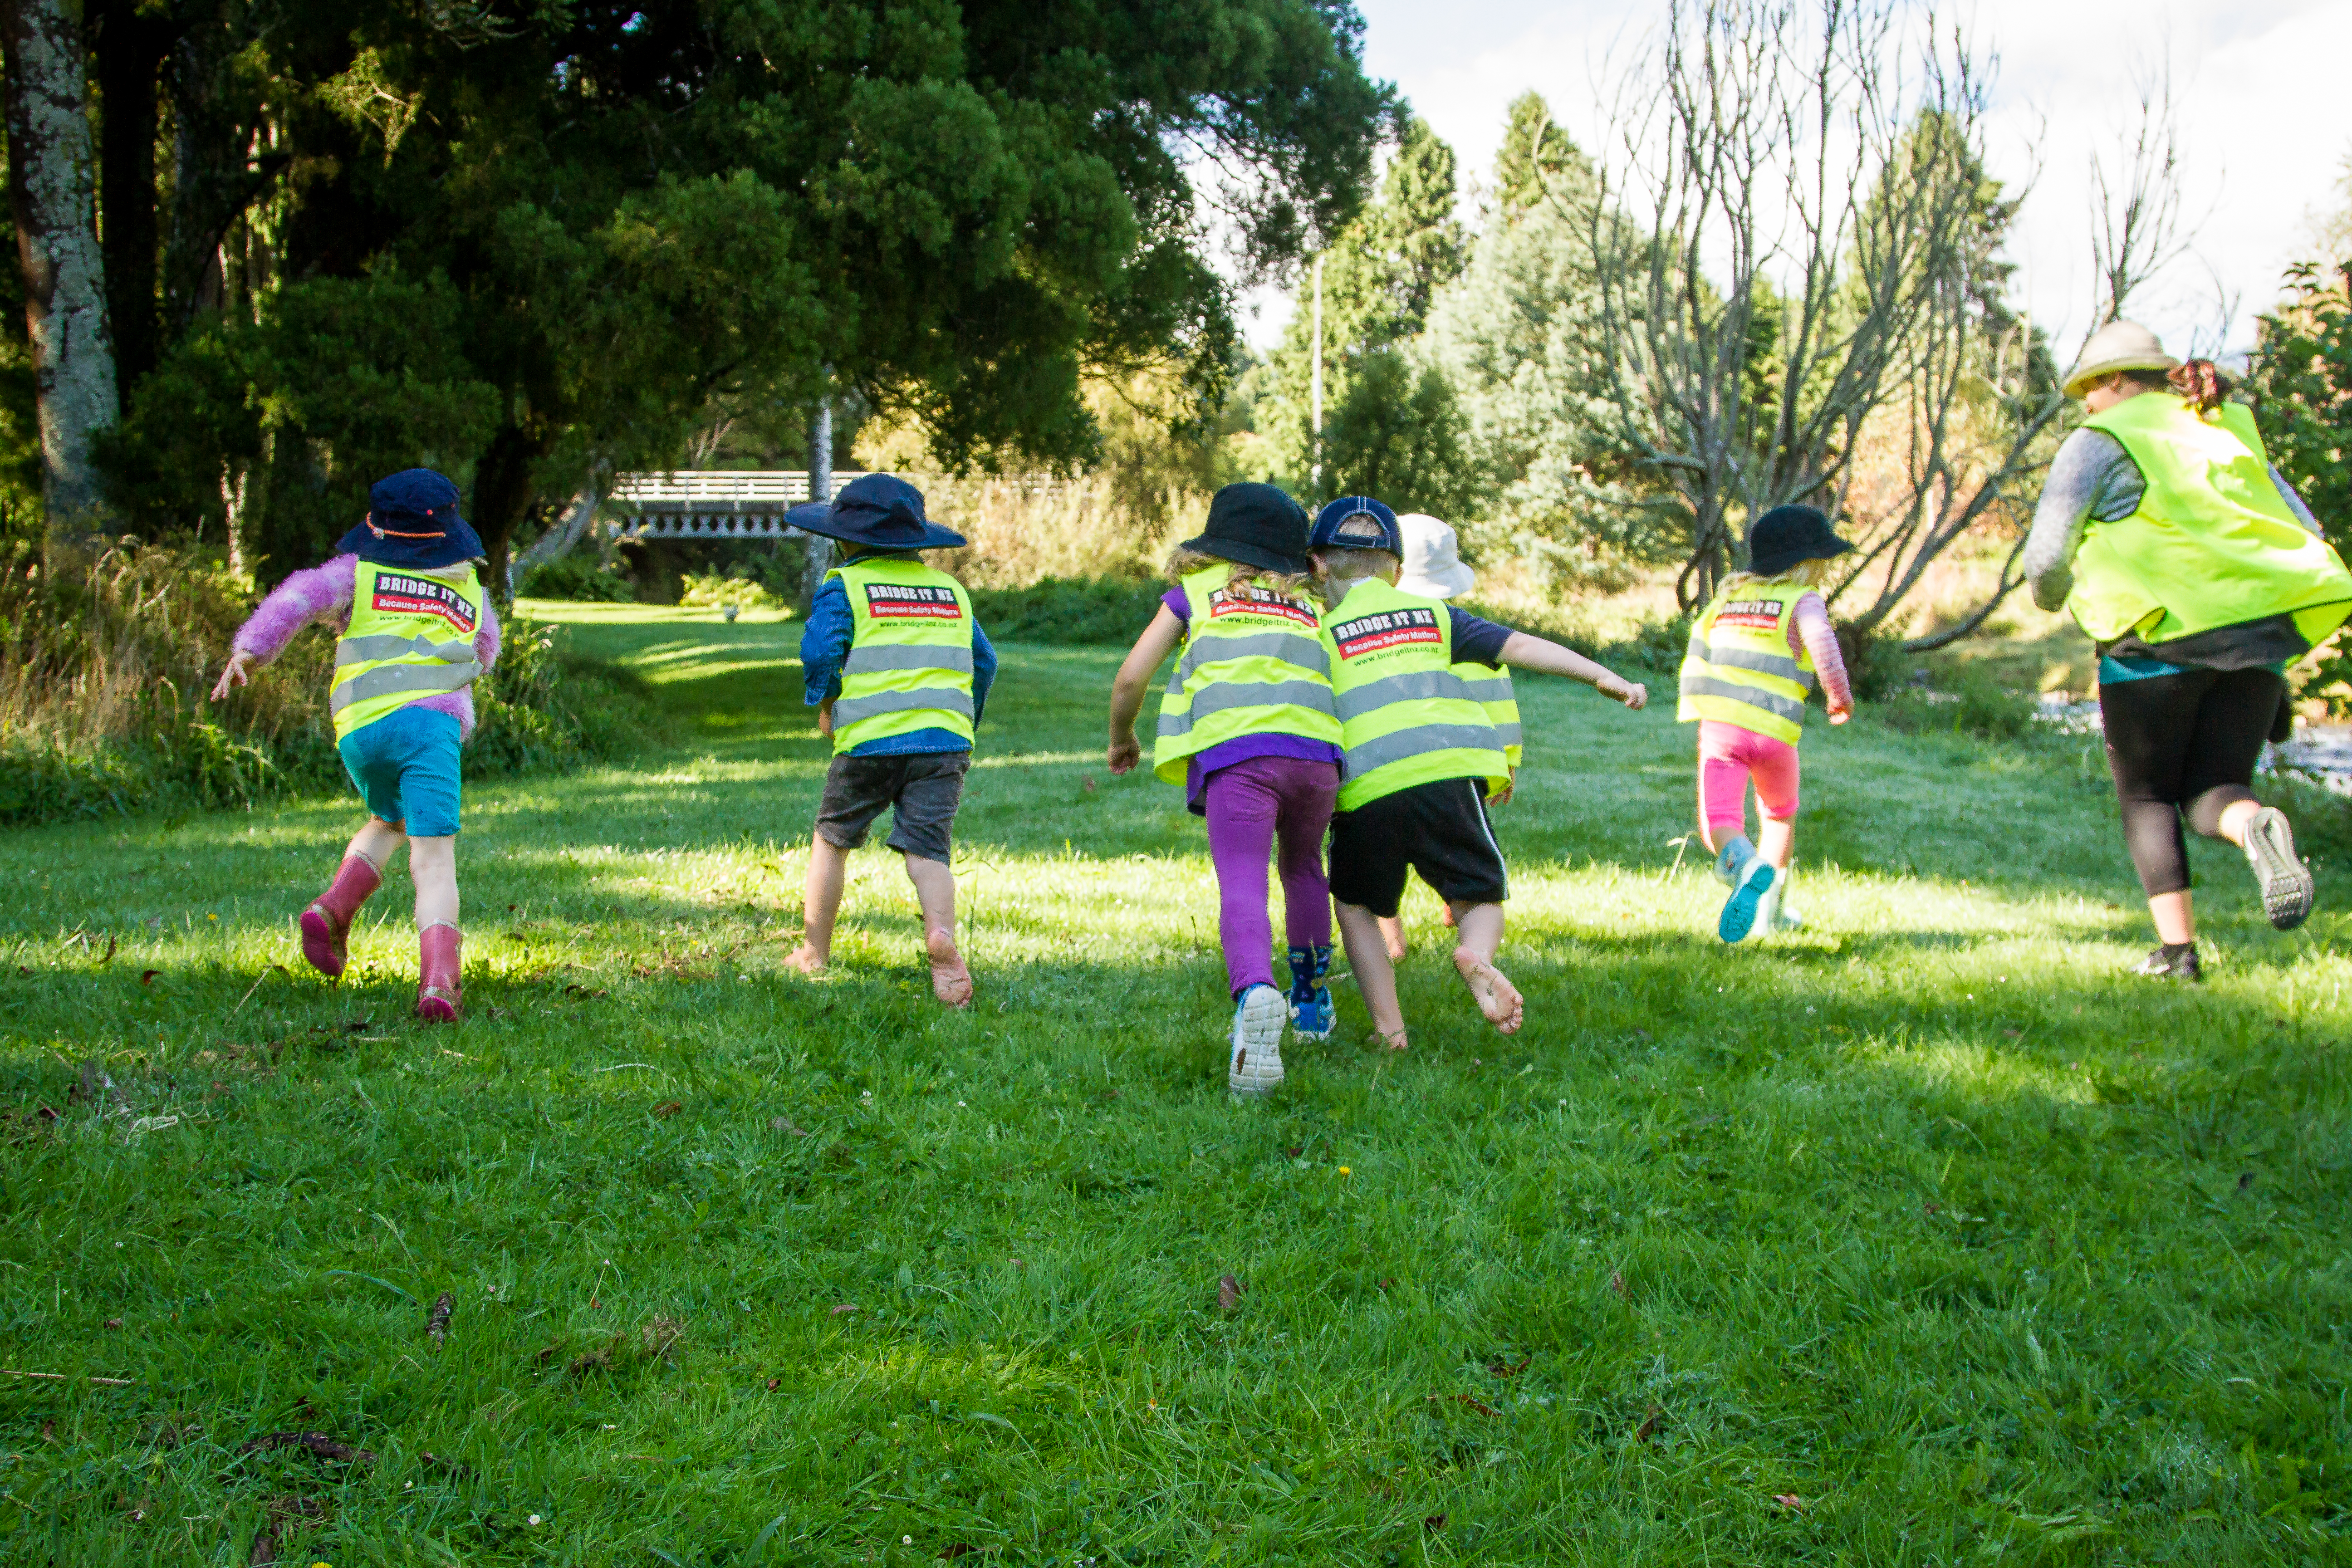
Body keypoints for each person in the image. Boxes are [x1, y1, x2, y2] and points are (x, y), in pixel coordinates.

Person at [2024, 321, 2352, 979]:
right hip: (2258, 640)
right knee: (2216, 792)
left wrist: (2052, 598)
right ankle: (2254, 825)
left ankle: (2179, 955)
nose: (2086, 404)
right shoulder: (2223, 426)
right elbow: (2305, 527)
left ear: (2114, 380)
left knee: (2147, 797)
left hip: (2154, 642)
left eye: (2089, 389)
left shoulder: (2099, 441)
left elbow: (2047, 556)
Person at [1311, 497, 1647, 1048]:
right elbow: (1518, 645)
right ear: (1397, 570)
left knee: (1354, 905)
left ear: (1318, 566)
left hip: (1366, 786)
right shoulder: (1435, 615)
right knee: (1479, 898)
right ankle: (1477, 958)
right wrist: (1601, 676)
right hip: (1449, 773)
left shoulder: (1321, 634)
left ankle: (1389, 1030)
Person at [210, 469, 501, 1021]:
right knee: (434, 862)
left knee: (388, 819)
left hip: (363, 729)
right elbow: (485, 653)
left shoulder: (358, 574)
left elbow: (298, 597)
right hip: (431, 729)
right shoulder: (470, 589)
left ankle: (334, 907)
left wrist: (250, 651)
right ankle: (440, 984)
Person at [1106, 484, 1341, 1097]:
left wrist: (1121, 737)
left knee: (1243, 879)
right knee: (1304, 870)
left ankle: (1254, 995)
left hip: (1241, 759)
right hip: (1317, 758)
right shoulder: (1312, 605)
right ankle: (1311, 1004)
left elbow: (1132, 675)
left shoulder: (1196, 595)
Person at [783, 475, 996, 1006]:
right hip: (943, 745)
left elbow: (820, 652)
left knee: (833, 839)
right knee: (929, 852)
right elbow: (985, 663)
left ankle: (813, 952)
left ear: (845, 540)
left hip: (869, 744)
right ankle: (941, 936)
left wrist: (827, 704)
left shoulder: (846, 585)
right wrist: (962, 720)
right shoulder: (952, 592)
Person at [1676, 505, 1857, 943]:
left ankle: (1743, 863)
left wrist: (1700, 704)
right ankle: (1769, 913)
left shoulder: (1727, 599)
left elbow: (1699, 647)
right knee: (1778, 816)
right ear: (1804, 563)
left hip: (1723, 728)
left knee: (1719, 818)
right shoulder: (1802, 600)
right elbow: (1822, 644)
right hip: (1776, 731)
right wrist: (1839, 695)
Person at [1373, 513, 1519, 964]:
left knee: (1378, 866)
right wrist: (1507, 765)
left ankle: (1391, 940)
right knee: (1468, 853)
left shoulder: (1375, 636)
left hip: (1384, 769)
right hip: (1464, 769)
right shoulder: (1468, 633)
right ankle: (1462, 910)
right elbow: (1499, 702)